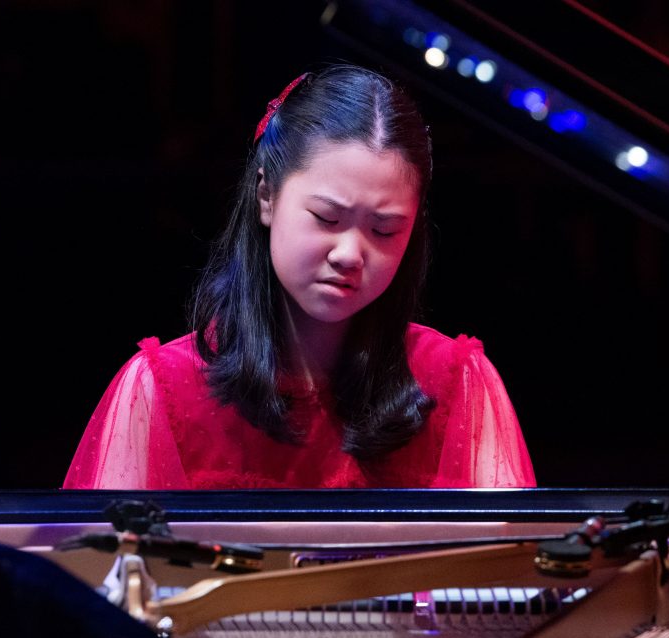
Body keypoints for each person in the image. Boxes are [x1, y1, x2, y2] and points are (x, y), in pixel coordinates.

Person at [63, 64, 536, 490]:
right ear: (266, 195)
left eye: (385, 229)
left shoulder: (460, 383)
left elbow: (511, 574)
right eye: (327, 218)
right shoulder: (160, 387)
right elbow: (101, 574)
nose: (351, 253)